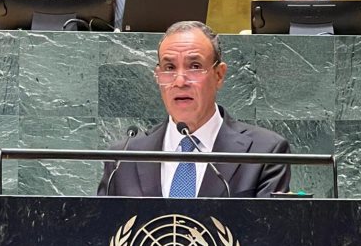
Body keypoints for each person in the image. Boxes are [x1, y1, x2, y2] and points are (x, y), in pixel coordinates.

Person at [97, 21, 291, 198]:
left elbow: (269, 233)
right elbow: (101, 232)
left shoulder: (265, 152)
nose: (180, 81)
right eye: (169, 67)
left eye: (195, 66)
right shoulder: (123, 159)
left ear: (219, 75)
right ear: (158, 76)